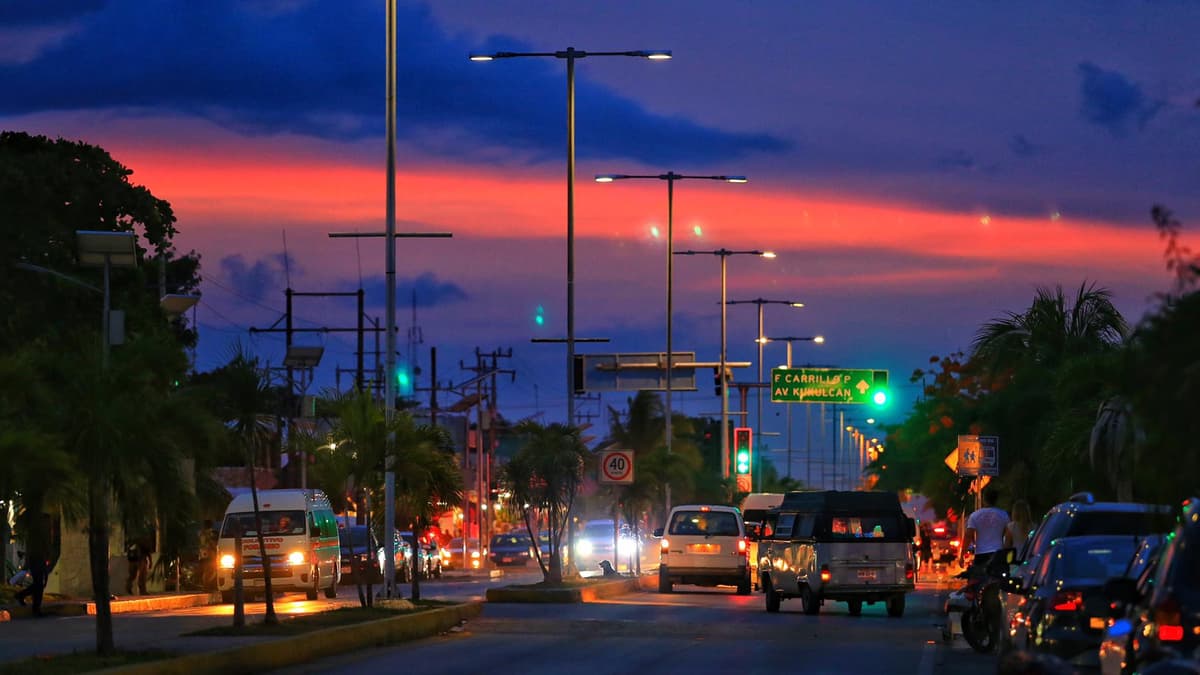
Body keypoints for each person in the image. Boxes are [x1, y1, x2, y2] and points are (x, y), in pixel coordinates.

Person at [961, 488, 1010, 574]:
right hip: (998, 554)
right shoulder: (1003, 514)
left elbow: (968, 535)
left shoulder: (975, 515)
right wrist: (1005, 552)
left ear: (984, 499)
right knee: (997, 580)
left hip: (981, 554)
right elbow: (1009, 535)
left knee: (979, 578)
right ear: (996, 500)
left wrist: (962, 555)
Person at [13, 551, 48, 616]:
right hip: (38, 562)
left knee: (36, 586)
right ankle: (35, 609)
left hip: (37, 562)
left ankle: (21, 595)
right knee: (38, 587)